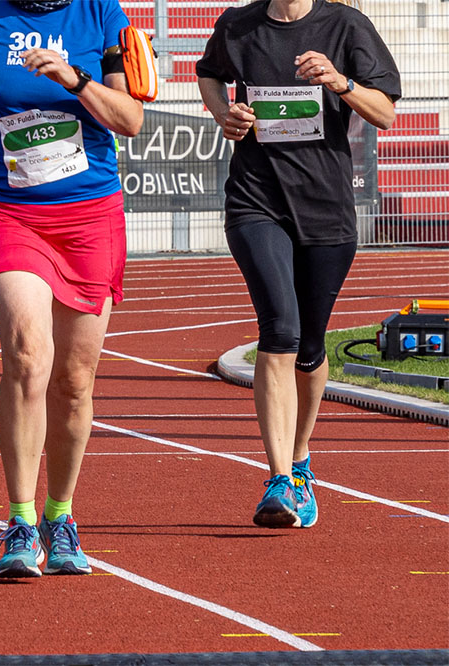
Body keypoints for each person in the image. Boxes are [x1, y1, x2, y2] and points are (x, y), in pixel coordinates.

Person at [0, 0, 144, 577]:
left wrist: (76, 78)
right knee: (27, 356)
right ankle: (18, 521)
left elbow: (130, 118)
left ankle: (59, 517)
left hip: (89, 214)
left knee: (74, 378)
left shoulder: (102, 13)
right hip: (8, 210)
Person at [196, 0, 400, 528]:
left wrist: (340, 82)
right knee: (279, 330)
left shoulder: (346, 25)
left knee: (310, 346)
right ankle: (280, 478)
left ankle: (302, 457)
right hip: (255, 201)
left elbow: (385, 112)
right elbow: (209, 75)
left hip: (326, 209)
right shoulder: (237, 25)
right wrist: (225, 114)